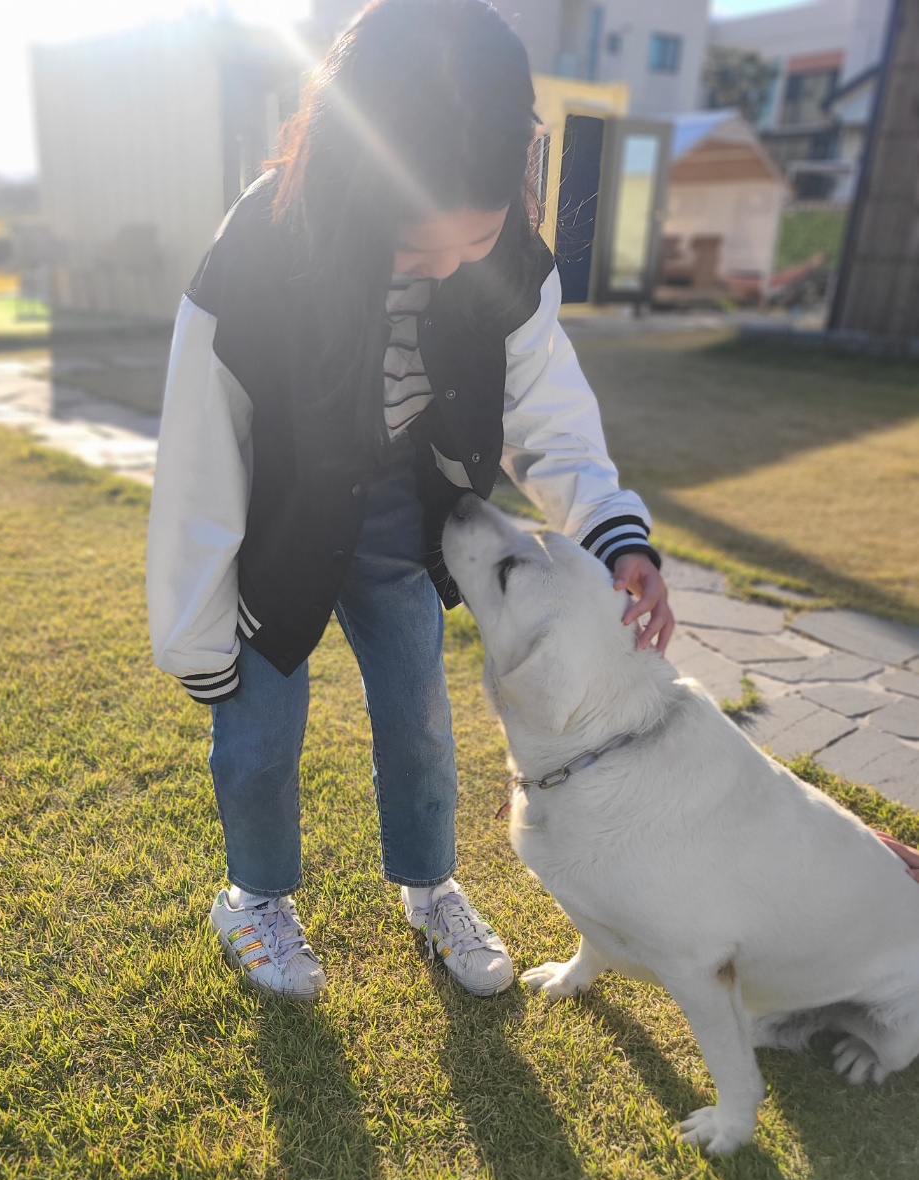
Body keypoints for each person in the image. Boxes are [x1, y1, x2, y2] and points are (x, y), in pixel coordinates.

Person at [147, 0, 677, 1000]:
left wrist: (615, 536)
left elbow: (544, 414)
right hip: (278, 527)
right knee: (255, 734)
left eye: (470, 235)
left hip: (403, 516)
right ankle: (252, 897)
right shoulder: (258, 250)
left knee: (421, 720)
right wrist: (192, 631)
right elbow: (200, 450)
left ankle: (428, 883)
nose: (444, 265)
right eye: (414, 244)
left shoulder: (509, 259)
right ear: (350, 176)